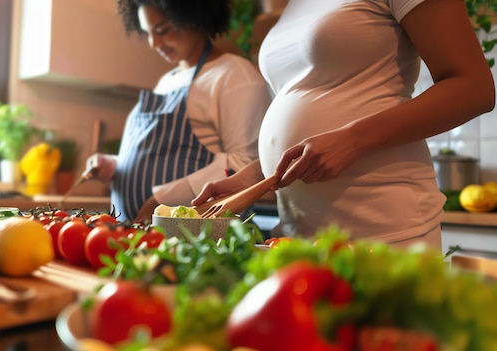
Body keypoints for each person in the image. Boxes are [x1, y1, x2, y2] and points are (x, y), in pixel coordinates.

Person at [192, 0, 495, 250]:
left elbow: (474, 88)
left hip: (381, 229)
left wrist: (355, 138)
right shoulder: (294, 5)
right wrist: (256, 176)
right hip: (298, 235)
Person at [86, 0, 271, 222]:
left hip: (193, 235)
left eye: (162, 30)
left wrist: (160, 200)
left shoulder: (235, 76)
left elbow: (243, 164)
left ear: (195, 16)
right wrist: (115, 165)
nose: (154, 43)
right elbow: (160, 154)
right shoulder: (167, 81)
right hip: (136, 233)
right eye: (148, 33)